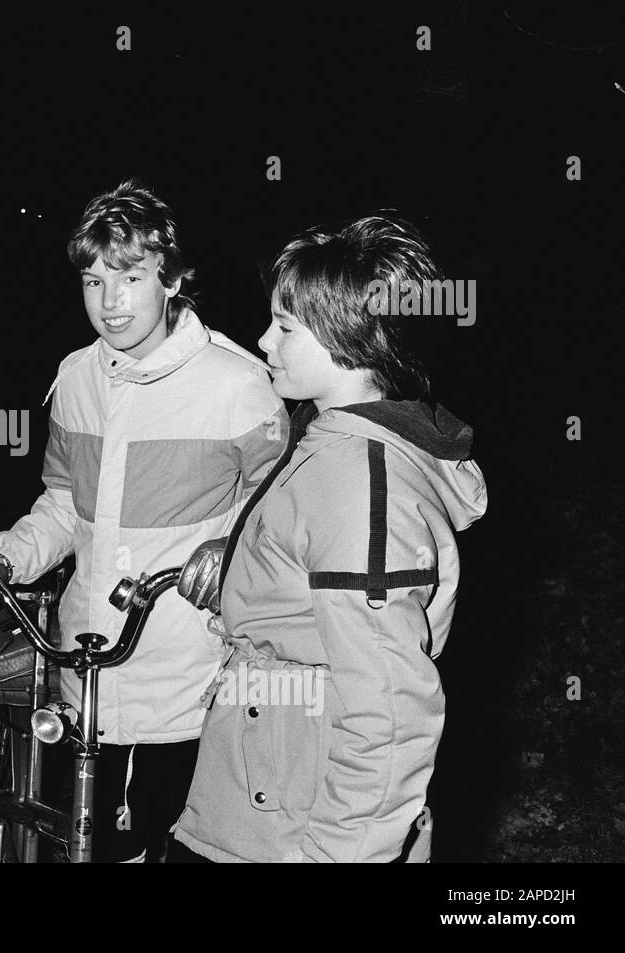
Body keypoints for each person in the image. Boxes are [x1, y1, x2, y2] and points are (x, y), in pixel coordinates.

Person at [0, 181, 286, 862]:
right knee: (86, 842)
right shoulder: (75, 379)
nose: (109, 301)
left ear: (174, 279)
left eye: (130, 277)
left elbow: (281, 516)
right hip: (86, 669)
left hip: (189, 675)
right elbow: (62, 504)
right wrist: (9, 557)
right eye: (93, 279)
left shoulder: (238, 384)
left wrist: (229, 551)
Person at [168, 214, 487, 863]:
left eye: (285, 326)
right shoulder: (324, 432)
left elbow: (390, 717)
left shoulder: (361, 486)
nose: (263, 340)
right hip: (254, 798)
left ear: (350, 338)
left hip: (293, 831)